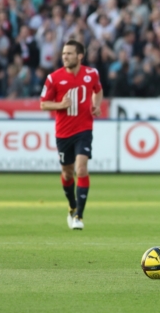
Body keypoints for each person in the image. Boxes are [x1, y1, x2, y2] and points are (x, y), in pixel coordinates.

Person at [40, 40, 103, 230]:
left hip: (84, 130)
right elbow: (43, 104)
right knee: (67, 173)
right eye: (63, 54)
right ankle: (72, 205)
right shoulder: (54, 78)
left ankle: (79, 216)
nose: (65, 57)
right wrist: (60, 105)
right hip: (63, 133)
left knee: (81, 169)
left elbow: (98, 91)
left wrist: (96, 104)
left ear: (79, 56)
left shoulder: (91, 74)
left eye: (69, 53)